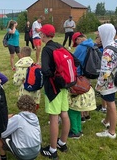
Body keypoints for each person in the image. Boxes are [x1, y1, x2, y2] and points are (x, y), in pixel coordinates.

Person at [39, 24, 72, 160]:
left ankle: (52, 150)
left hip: (53, 88)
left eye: (41, 34)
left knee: (53, 117)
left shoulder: (46, 50)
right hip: (64, 85)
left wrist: (51, 74)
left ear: (45, 35)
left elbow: (46, 70)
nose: (40, 35)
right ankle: (62, 143)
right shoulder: (59, 45)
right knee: (64, 113)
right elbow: (74, 61)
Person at [0, 95, 41, 160]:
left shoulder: (18, 118)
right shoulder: (35, 117)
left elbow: (2, 133)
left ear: (20, 105)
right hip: (36, 150)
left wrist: (5, 119)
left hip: (23, 153)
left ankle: (3, 158)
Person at [95, 23, 117, 139]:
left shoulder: (107, 51)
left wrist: (99, 85)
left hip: (108, 82)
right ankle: (106, 121)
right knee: (111, 102)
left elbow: (105, 71)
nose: (98, 36)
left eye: (100, 34)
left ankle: (111, 132)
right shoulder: (115, 44)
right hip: (115, 79)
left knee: (111, 105)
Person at [69, 32, 96, 135]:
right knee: (86, 94)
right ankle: (86, 114)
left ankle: (81, 118)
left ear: (79, 39)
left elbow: (74, 61)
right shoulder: (93, 44)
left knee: (79, 97)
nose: (77, 43)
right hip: (90, 72)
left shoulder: (81, 47)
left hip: (81, 75)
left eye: (76, 41)